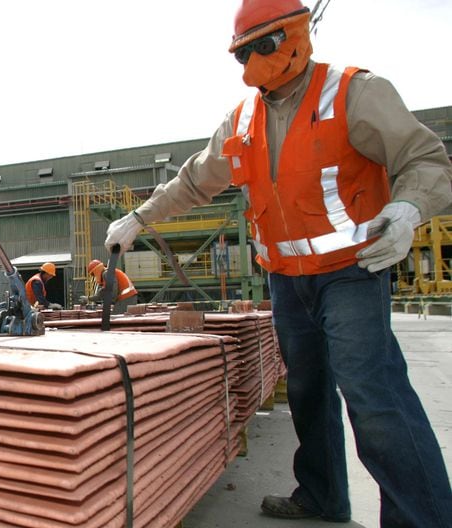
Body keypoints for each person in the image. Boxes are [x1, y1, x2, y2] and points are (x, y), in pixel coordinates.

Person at [104, 0, 452, 525]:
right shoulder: (243, 120)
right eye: (243, 53)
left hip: (352, 271)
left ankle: (422, 516)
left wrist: (407, 209)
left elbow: (424, 158)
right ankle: (322, 494)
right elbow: (196, 179)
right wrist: (139, 217)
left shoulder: (353, 92)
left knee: (371, 389)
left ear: (294, 35)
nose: (252, 64)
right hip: (288, 281)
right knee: (309, 390)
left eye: (261, 47)